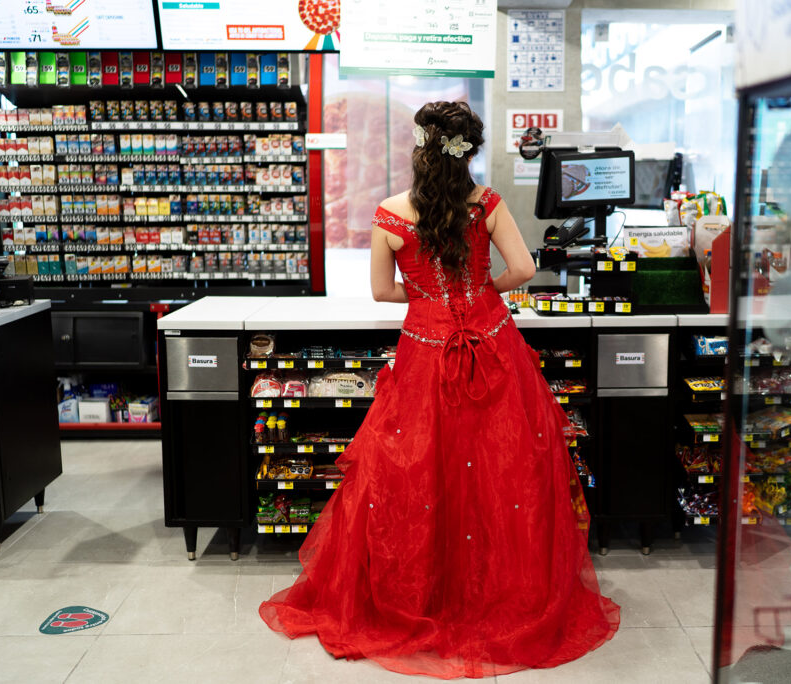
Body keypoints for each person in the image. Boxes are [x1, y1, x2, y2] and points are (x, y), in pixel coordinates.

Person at [259, 101, 620, 679]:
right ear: (469, 151)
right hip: (494, 344)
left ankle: (422, 596)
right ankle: (504, 593)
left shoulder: (390, 214)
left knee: (420, 471)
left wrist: (428, 298)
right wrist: (481, 289)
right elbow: (525, 271)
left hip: (426, 353)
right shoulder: (489, 205)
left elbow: (381, 293)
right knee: (505, 472)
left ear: (418, 148)